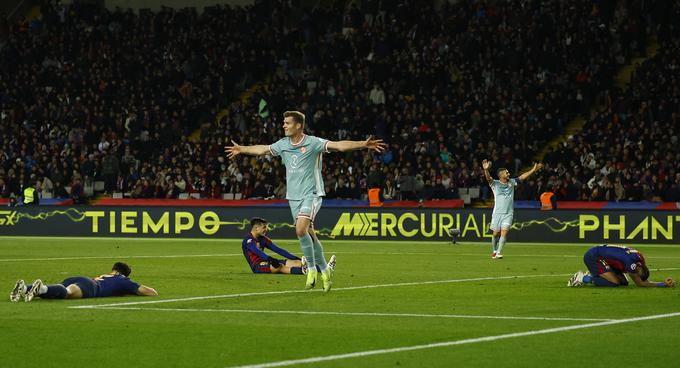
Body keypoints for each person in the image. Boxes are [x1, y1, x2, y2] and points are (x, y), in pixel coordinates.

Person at [226, 110, 385, 292]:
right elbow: (262, 149)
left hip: (312, 194)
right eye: (284, 122)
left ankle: (310, 269)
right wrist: (242, 149)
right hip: (293, 197)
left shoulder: (313, 143)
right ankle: (324, 269)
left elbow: (339, 146)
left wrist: (363, 144)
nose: (284, 125)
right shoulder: (283, 144)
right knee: (309, 234)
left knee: (300, 229)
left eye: (287, 123)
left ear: (298, 125)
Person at [483, 159, 543, 259]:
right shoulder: (495, 184)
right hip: (497, 213)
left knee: (504, 232)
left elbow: (522, 177)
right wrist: (486, 170)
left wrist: (533, 170)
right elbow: (488, 178)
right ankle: (494, 250)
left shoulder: (511, 182)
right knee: (495, 234)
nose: (508, 173)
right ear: (501, 175)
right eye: (506, 172)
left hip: (508, 213)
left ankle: (498, 252)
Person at [10, 262, 158, 302]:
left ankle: (24, 288)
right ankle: (40, 289)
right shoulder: (123, 281)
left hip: (81, 278)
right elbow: (151, 293)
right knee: (66, 293)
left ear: (112, 269)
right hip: (91, 287)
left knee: (59, 289)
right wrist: (129, 291)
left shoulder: (105, 275)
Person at [243, 217, 336, 275]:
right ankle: (303, 271)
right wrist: (271, 260)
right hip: (257, 266)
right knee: (279, 266)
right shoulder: (248, 240)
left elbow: (279, 250)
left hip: (267, 261)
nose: (266, 230)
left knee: (296, 262)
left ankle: (327, 268)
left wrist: (296, 258)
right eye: (264, 227)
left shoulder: (263, 239)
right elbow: (258, 252)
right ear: (256, 228)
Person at [568, 244, 676, 288]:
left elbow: (640, 279)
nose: (635, 274)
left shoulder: (640, 259)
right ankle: (582, 278)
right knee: (614, 283)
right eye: (636, 273)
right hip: (594, 256)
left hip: (605, 257)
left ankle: (598, 274)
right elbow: (640, 283)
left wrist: (662, 284)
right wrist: (663, 284)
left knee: (624, 283)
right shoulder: (631, 263)